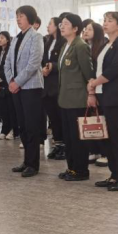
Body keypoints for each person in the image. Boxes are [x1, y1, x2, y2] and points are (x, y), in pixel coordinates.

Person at [87, 12, 118, 191]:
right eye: (104, 20)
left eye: (110, 21)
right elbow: (98, 69)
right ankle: (114, 175)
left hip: (116, 97)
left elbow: (114, 70)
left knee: (117, 138)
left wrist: (94, 83)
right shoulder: (106, 45)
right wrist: (93, 89)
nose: (105, 23)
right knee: (107, 138)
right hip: (102, 95)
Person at [6, 5, 45, 178]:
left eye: (21, 16)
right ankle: (26, 161)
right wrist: (10, 81)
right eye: (17, 16)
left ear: (30, 18)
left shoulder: (36, 37)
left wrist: (18, 82)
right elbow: (7, 62)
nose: (18, 19)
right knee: (21, 125)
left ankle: (33, 164)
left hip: (31, 87)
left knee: (31, 126)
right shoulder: (16, 38)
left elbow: (34, 64)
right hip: (17, 87)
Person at [57, 13, 94, 182]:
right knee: (69, 137)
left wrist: (91, 94)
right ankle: (71, 167)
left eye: (66, 23)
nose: (62, 26)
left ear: (75, 28)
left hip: (77, 98)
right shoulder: (66, 45)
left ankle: (81, 170)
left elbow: (88, 73)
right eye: (61, 24)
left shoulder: (80, 45)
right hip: (65, 98)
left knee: (78, 137)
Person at [82, 20, 108, 166]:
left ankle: (105, 152)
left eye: (89, 29)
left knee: (101, 119)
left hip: (99, 88)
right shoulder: (85, 47)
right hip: (88, 88)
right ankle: (94, 149)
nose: (86, 31)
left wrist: (92, 86)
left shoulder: (102, 47)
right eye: (85, 29)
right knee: (91, 118)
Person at [43, 16, 65, 160]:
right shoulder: (48, 41)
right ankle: (57, 144)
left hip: (58, 84)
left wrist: (53, 66)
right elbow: (43, 59)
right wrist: (44, 68)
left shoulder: (63, 42)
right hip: (47, 85)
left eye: (50, 24)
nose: (48, 26)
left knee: (61, 117)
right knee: (53, 118)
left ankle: (64, 146)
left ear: (57, 26)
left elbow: (64, 62)